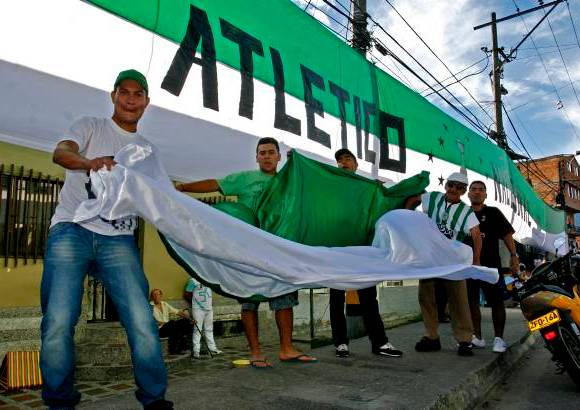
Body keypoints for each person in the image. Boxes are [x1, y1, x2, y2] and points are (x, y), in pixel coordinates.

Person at [40, 69, 173, 409]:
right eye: (124, 92)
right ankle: (59, 400)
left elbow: (158, 197)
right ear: (113, 95)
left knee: (142, 321)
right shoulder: (90, 126)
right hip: (71, 229)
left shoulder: (147, 151)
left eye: (138, 94)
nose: (130, 99)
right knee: (58, 321)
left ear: (146, 102)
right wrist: (90, 163)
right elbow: (61, 153)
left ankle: (154, 399)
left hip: (118, 239)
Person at [176, 137, 317, 368]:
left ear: (279, 156)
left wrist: (298, 166)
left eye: (272, 152)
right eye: (262, 153)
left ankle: (287, 348)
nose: (267, 156)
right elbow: (215, 184)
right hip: (248, 249)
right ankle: (255, 352)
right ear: (257, 157)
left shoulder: (289, 182)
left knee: (284, 298)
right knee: (249, 302)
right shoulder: (245, 179)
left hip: (278, 249)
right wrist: (182, 187)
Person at [330, 148, 403, 358]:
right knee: (336, 299)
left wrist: (378, 192)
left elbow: (384, 205)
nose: (343, 162)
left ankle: (379, 342)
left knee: (369, 298)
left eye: (347, 158)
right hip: (338, 251)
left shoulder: (367, 187)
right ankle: (340, 343)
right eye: (340, 160)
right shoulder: (331, 186)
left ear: (355, 164)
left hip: (363, 251)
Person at [415, 171, 481, 357]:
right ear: (446, 186)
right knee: (426, 296)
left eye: (459, 187)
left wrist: (476, 260)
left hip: (453, 260)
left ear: (463, 191)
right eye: (451, 185)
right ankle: (431, 336)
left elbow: (476, 235)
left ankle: (465, 340)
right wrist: (407, 217)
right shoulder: (433, 198)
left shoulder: (466, 211)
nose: (453, 189)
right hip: (430, 257)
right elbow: (413, 199)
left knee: (459, 299)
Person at [465, 181, 518, 353]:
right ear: (469, 194)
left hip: (491, 266)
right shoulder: (463, 213)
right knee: (471, 302)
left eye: (481, 190)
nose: (477, 192)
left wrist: (513, 256)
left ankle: (498, 339)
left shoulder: (493, 212)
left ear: (485, 195)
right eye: (474, 190)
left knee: (496, 302)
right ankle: (478, 337)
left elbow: (507, 235)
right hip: (468, 266)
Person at [184, 277, 222, 359]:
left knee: (209, 328)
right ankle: (196, 351)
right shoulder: (193, 280)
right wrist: (195, 302)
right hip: (198, 309)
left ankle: (212, 348)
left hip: (209, 308)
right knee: (197, 329)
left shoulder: (208, 279)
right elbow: (187, 293)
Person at [150, 288, 193, 355]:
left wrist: (190, 318)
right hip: (159, 330)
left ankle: (177, 349)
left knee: (184, 322)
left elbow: (177, 311)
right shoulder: (149, 307)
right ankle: (178, 348)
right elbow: (150, 321)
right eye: (154, 295)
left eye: (158, 294)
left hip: (169, 327)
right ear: (152, 297)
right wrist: (162, 323)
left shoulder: (164, 304)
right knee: (173, 324)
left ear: (161, 295)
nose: (156, 296)